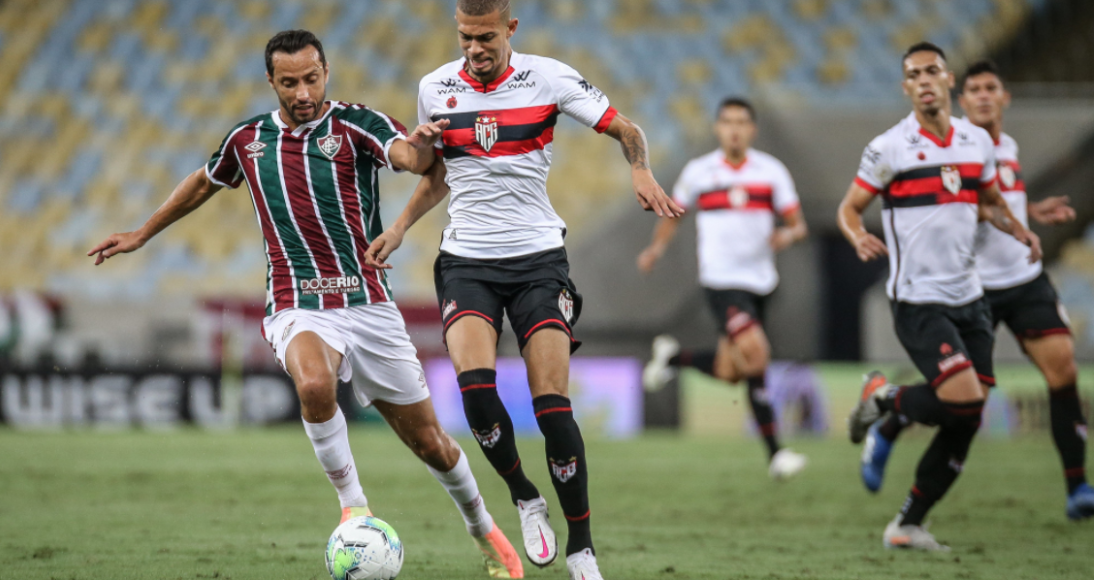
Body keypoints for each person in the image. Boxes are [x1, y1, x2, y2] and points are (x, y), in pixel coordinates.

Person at [87, 30, 523, 579]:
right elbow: (203, 182)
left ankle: (482, 526)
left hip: (368, 304)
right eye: (289, 82)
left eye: (312, 78)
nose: (303, 92)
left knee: (432, 444)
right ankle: (355, 509)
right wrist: (142, 233)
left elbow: (410, 158)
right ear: (270, 81)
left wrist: (425, 142)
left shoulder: (357, 124)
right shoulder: (248, 140)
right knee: (315, 384)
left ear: (326, 71)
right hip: (297, 303)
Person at [364, 1, 683, 578]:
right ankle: (524, 495)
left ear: (510, 29)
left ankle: (581, 547)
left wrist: (640, 169)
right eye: (465, 38)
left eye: (485, 38)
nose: (474, 49)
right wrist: (399, 226)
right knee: (476, 393)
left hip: (538, 259)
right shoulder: (434, 88)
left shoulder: (550, 77)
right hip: (467, 262)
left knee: (552, 408)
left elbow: (626, 129)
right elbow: (437, 173)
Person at [859, 59, 1094, 521]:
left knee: (1063, 370)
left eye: (991, 88)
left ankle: (1078, 488)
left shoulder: (1003, 146)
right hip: (974, 287)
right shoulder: (952, 147)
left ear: (1005, 97)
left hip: (1023, 279)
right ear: (960, 98)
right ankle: (895, 414)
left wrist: (1030, 214)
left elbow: (997, 200)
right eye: (975, 89)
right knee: (965, 400)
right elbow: (964, 207)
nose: (983, 96)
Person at [837, 42, 1043, 551]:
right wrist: (855, 233)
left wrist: (1019, 229)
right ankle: (882, 399)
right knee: (964, 399)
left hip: (971, 297)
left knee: (968, 416)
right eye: (914, 74)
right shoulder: (889, 148)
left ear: (948, 79)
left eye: (933, 71)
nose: (925, 80)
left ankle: (908, 524)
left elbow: (990, 201)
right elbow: (849, 208)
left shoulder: (976, 142)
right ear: (906, 87)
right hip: (918, 299)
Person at [637, 97, 808, 480]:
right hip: (720, 282)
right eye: (727, 121)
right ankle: (776, 454)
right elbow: (674, 213)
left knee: (731, 370)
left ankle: (673, 359)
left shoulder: (771, 171)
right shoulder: (700, 171)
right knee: (757, 354)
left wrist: (788, 234)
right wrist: (656, 248)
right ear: (718, 128)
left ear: (752, 129)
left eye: (741, 122)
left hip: (761, 283)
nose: (734, 129)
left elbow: (798, 225)